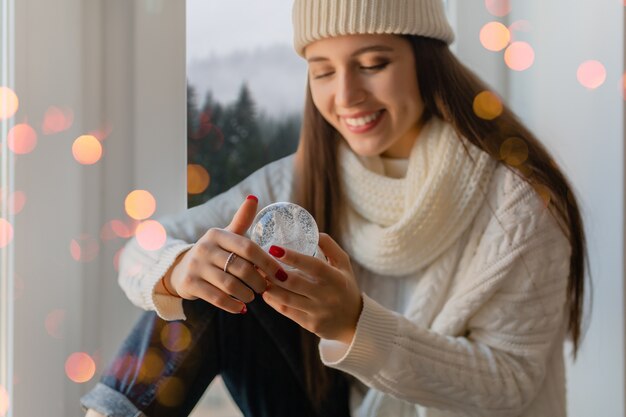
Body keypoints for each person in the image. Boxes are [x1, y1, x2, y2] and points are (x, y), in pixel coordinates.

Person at [82, 0, 589, 416]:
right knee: (203, 280)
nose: (346, 95)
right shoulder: (301, 176)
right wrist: (178, 269)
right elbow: (142, 248)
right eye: (322, 71)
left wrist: (355, 325)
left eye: (373, 65)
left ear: (425, 60)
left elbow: (509, 384)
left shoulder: (517, 202)